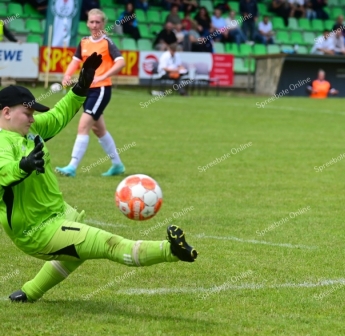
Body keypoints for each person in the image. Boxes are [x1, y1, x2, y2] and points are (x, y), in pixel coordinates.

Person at [0, 59, 198, 304]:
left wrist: (81, 87)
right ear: (6, 112)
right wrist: (24, 165)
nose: (32, 119)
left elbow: (58, 115)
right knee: (106, 244)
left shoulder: (30, 131)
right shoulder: (2, 142)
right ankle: (171, 251)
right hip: (36, 232)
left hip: (59, 214)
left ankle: (29, 292)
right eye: (27, 113)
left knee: (77, 253)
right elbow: (3, 171)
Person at [56, 9, 127, 178]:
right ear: (87, 23)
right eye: (92, 22)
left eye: (98, 22)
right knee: (98, 129)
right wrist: (67, 75)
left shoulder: (107, 42)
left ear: (103, 24)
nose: (95, 25)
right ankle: (118, 165)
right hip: (87, 89)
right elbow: (76, 60)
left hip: (101, 89)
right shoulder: (84, 42)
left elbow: (121, 61)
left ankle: (72, 166)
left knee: (83, 125)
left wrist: (103, 75)